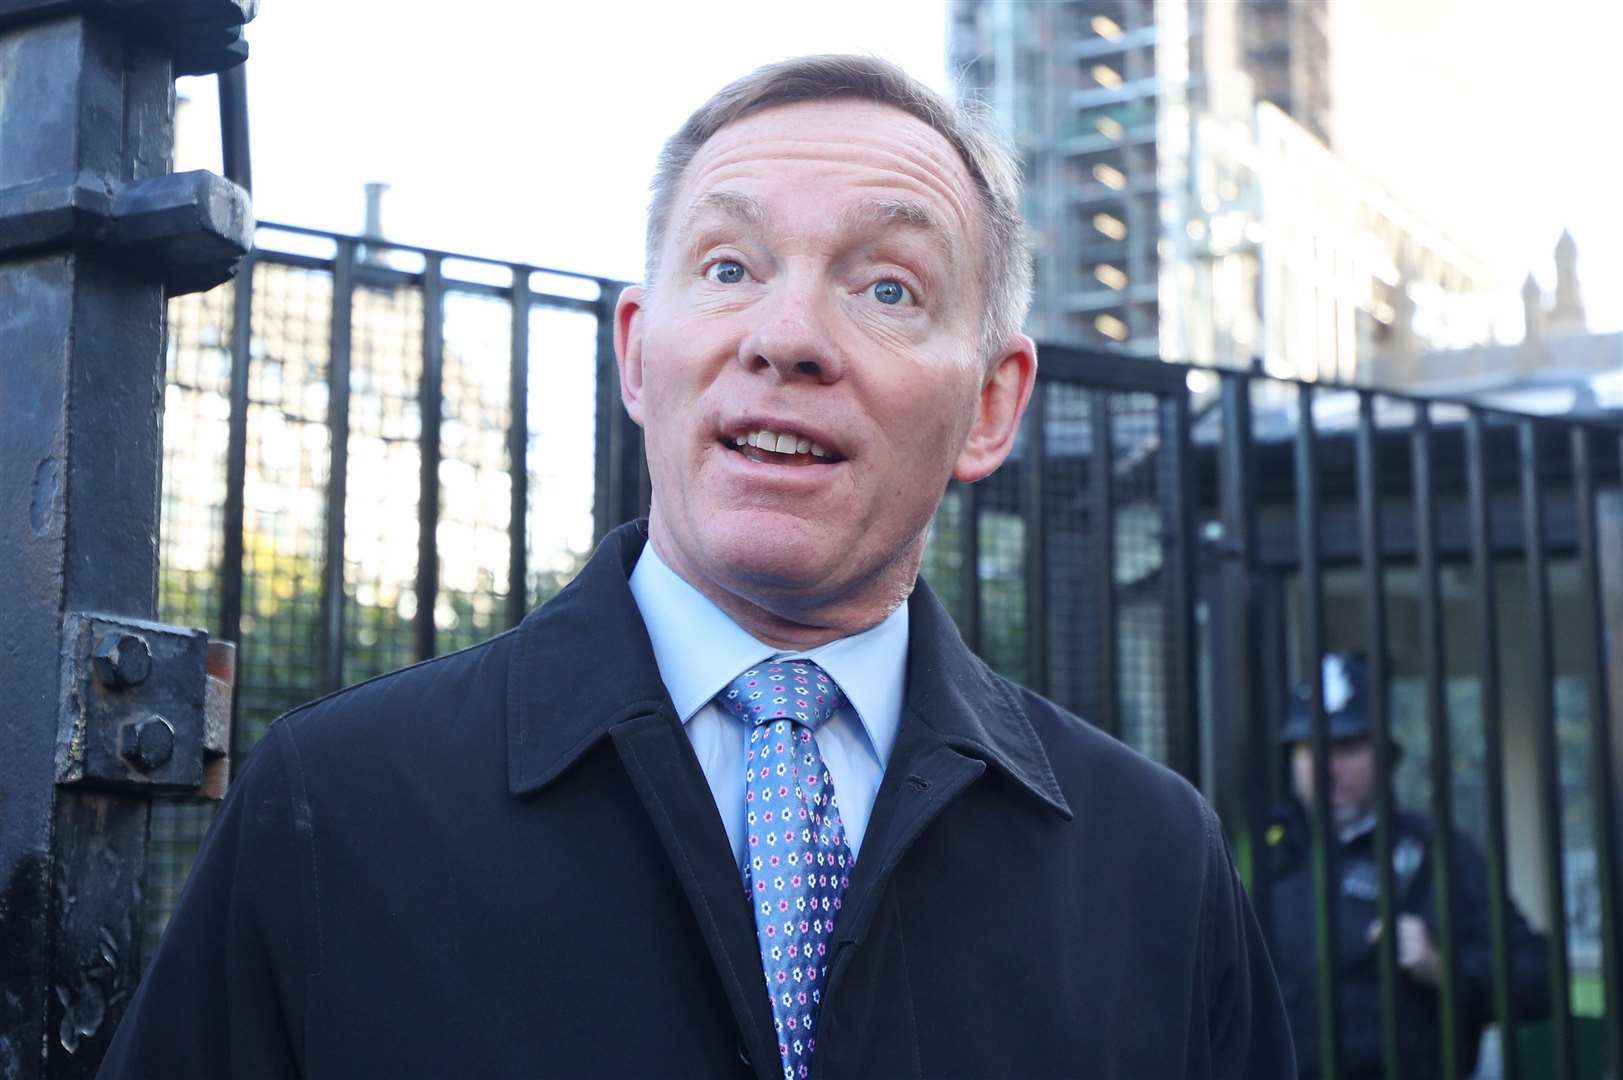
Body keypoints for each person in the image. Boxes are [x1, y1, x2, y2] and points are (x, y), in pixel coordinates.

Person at [99, 55, 1293, 1079]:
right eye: (729, 268)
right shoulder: (339, 803)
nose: (785, 338)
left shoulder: (1151, 865)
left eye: (887, 287)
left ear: (991, 405)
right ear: (636, 355)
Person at [1265, 653, 1550, 1079]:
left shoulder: (1438, 853)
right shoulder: (1268, 854)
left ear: (1385, 754)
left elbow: (1537, 980)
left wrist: (1443, 968)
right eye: (1310, 748)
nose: (1326, 768)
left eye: (1345, 747)